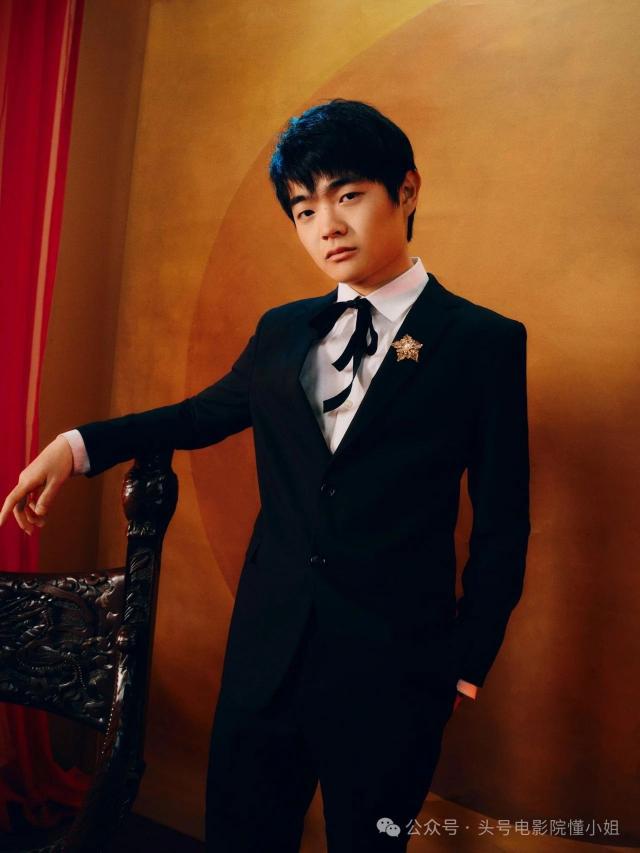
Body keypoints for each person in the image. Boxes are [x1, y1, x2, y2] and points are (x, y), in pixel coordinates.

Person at [0, 98, 530, 852]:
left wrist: (464, 663)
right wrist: (77, 444)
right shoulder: (283, 330)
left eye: (349, 195)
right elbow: (198, 416)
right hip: (266, 655)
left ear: (407, 191)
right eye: (304, 209)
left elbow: (505, 521)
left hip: (394, 670)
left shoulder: (482, 341)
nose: (327, 226)